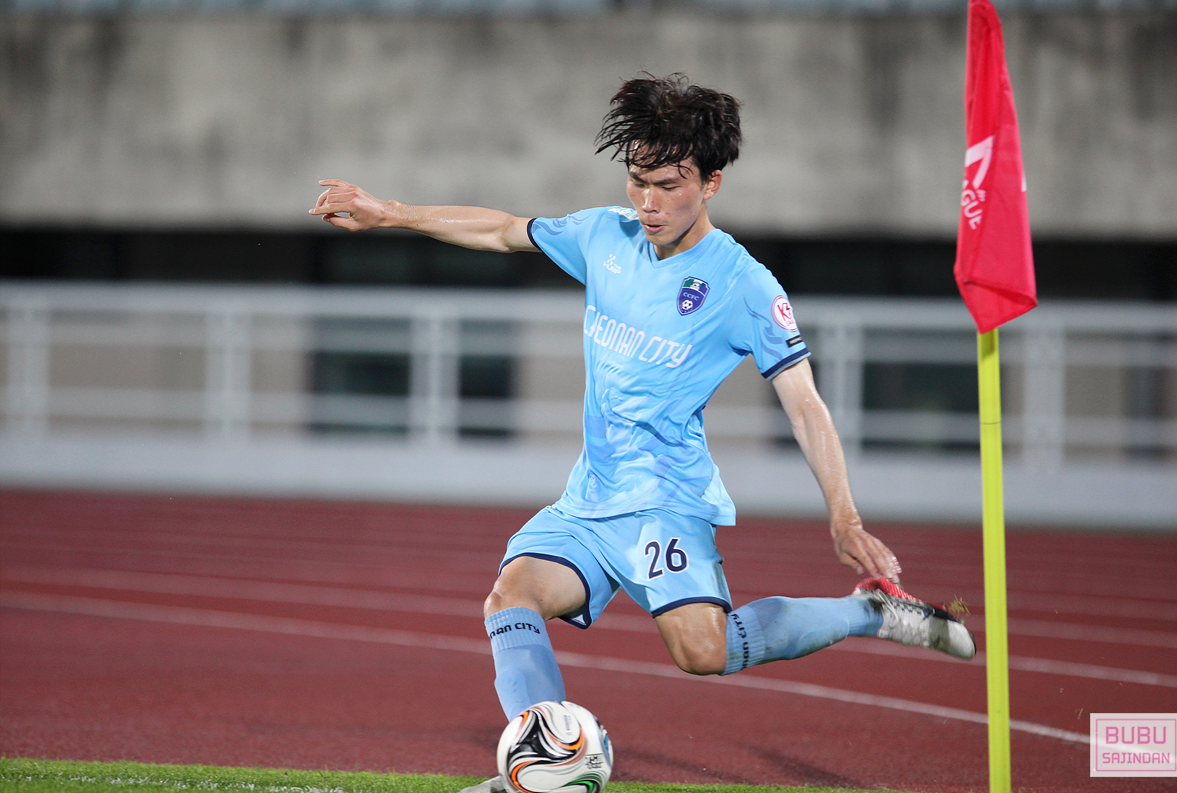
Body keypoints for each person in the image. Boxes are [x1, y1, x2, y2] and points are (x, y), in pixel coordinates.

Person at [310, 73, 974, 793]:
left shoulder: (744, 285)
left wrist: (844, 516)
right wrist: (391, 213)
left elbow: (805, 405)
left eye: (668, 186)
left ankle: (867, 612)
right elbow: (503, 229)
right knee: (511, 597)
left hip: (665, 502)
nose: (648, 203)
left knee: (703, 653)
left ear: (711, 183)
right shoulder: (605, 236)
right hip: (589, 500)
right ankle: (545, 762)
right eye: (637, 182)